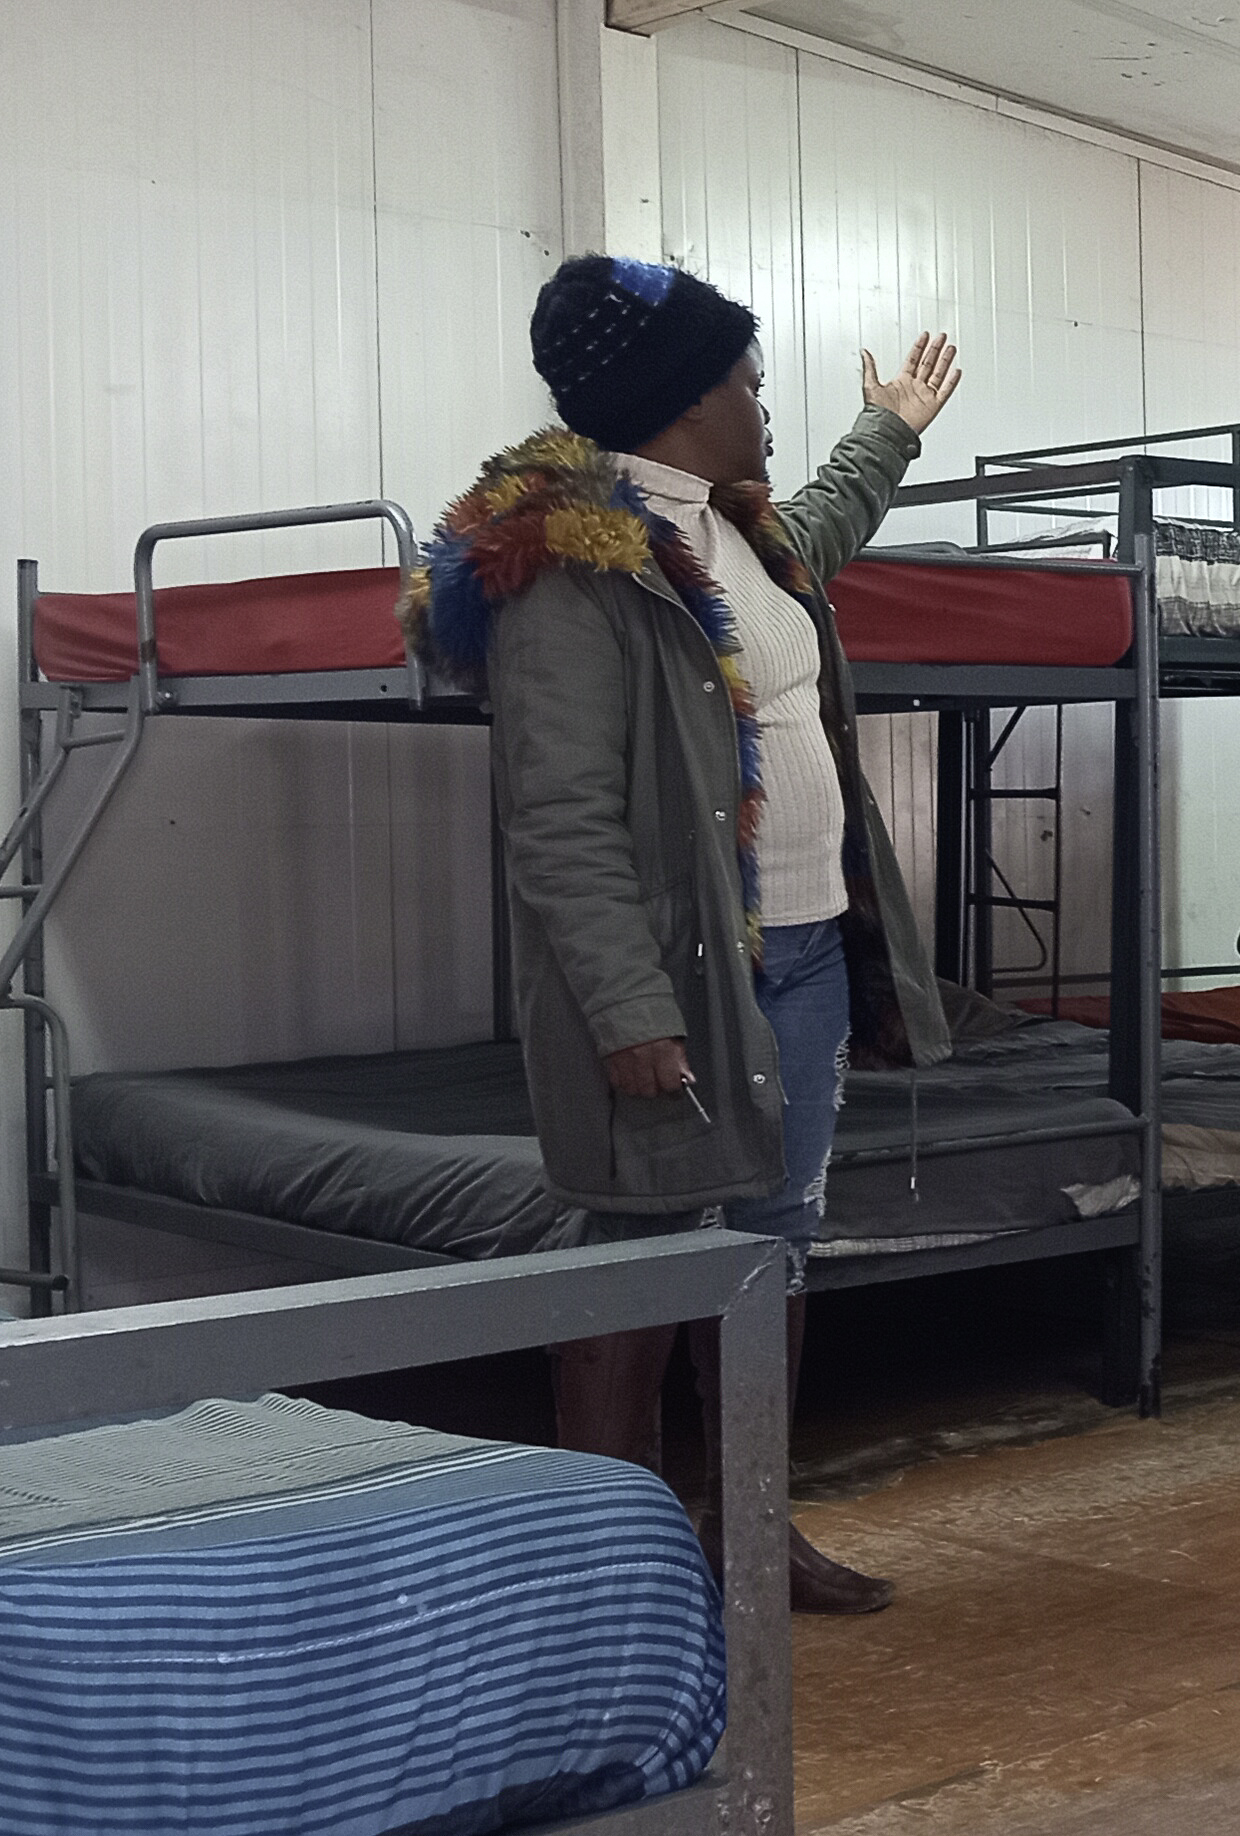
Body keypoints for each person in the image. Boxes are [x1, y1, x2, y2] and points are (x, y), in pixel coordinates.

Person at [401, 255, 964, 1613]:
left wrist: (888, 429)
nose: (763, 402)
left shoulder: (741, 527)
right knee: (641, 1254)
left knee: (776, 1246)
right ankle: (610, 1573)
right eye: (747, 380)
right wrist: (628, 1008)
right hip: (687, 976)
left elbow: (821, 521)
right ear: (679, 401)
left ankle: (751, 1535)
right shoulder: (568, 572)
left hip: (814, 956)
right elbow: (558, 817)